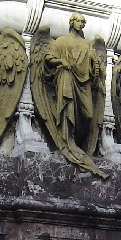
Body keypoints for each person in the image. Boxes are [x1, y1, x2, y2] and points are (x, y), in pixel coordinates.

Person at [43, 13, 104, 156]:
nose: (81, 24)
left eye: (83, 22)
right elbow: (48, 57)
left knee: (88, 114)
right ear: (71, 23)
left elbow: (94, 66)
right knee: (67, 108)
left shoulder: (87, 45)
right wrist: (61, 62)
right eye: (79, 21)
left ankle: (77, 143)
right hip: (67, 79)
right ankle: (66, 141)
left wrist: (96, 67)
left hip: (85, 82)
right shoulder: (61, 41)